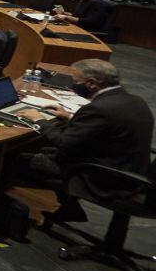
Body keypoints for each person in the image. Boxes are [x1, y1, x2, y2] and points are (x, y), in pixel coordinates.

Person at [14, 59, 153, 223]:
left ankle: (5, 215)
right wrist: (70, 117)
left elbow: (63, 143)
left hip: (103, 178)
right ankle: (69, 209)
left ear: (92, 83)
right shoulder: (135, 100)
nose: (73, 85)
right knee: (45, 151)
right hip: (130, 170)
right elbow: (106, 127)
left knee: (15, 158)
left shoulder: (99, 108)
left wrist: (39, 120)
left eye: (76, 81)